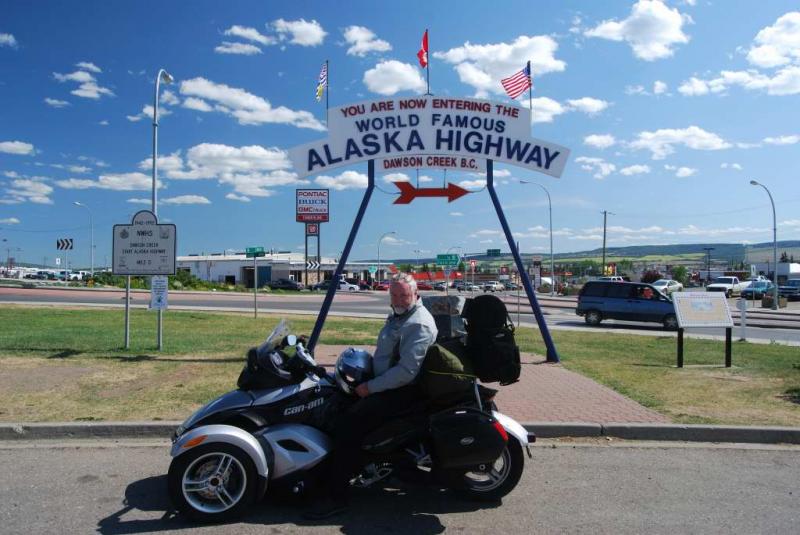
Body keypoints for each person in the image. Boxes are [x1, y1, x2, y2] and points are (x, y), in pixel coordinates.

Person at [304, 273, 438, 519]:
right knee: (335, 402)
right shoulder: (401, 315)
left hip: (402, 392)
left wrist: (370, 387)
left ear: (415, 294)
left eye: (404, 295)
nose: (398, 299)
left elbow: (406, 372)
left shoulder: (417, 323)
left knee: (347, 426)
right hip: (388, 384)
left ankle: (337, 497)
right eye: (394, 294)